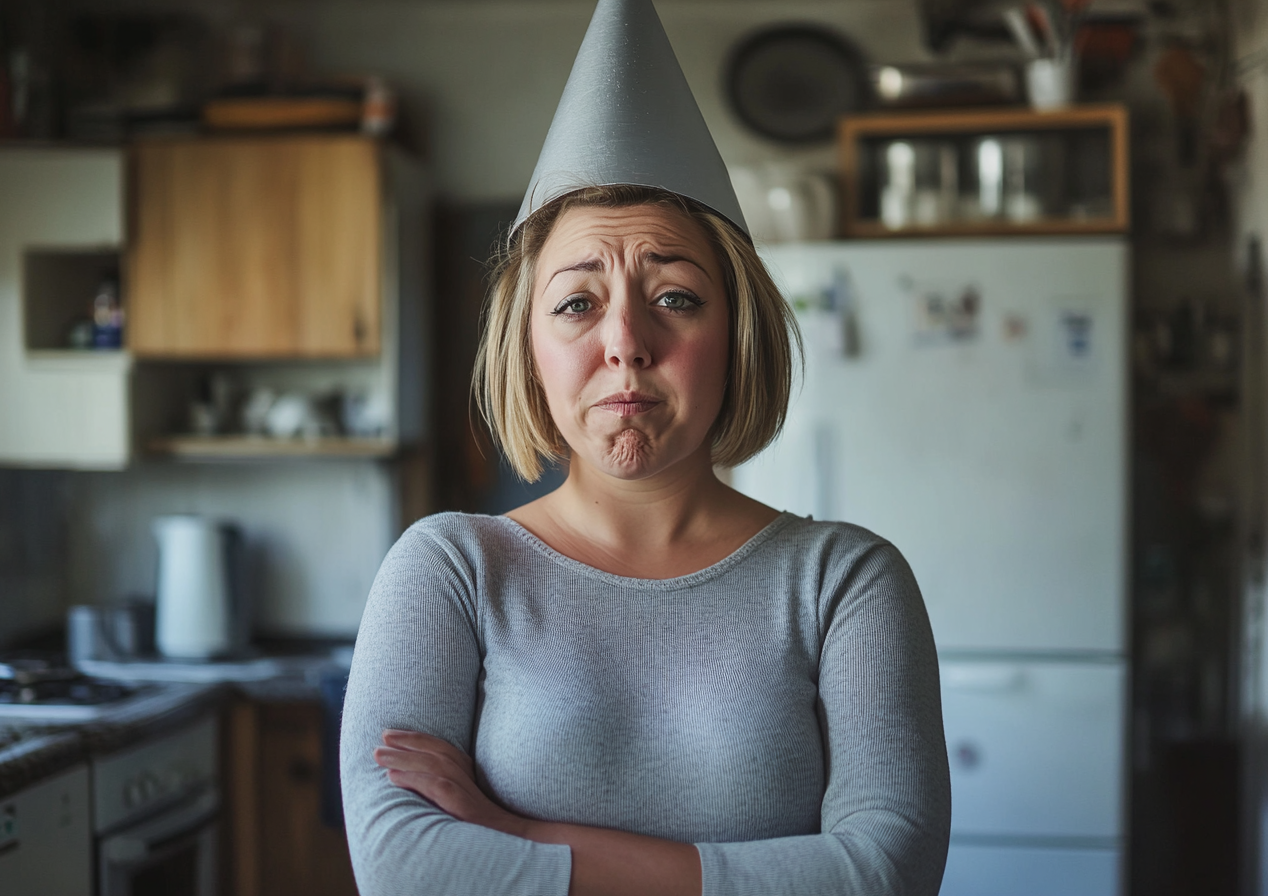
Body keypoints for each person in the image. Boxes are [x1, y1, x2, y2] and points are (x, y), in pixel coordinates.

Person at [339, 3, 950, 895]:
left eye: (675, 297)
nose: (625, 340)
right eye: (578, 303)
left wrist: (516, 834)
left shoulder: (845, 582)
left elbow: (885, 874)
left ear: (736, 335)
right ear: (527, 348)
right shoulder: (451, 570)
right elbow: (403, 871)